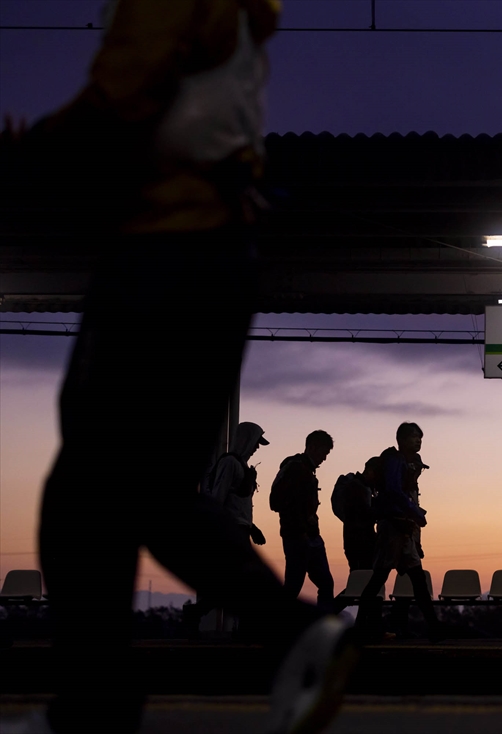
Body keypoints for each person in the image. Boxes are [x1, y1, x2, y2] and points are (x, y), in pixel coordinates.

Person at [0, 3, 357, 733]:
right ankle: (291, 636)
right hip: (216, 257)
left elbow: (122, 94)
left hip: (162, 255)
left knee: (83, 493)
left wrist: (32, 149)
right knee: (145, 493)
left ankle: (100, 706)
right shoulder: (236, 17)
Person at [354, 423, 443, 643]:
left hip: (403, 528)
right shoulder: (395, 461)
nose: (418, 440)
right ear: (401, 440)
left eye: (420, 437)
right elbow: (394, 491)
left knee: (414, 579)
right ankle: (359, 628)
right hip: (393, 527)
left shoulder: (403, 462)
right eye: (413, 436)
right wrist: (416, 512)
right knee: (383, 578)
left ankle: (435, 629)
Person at [272, 431, 336, 612]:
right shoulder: (296, 469)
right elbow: (278, 503)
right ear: (312, 447)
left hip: (307, 536)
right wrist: (302, 528)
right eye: (323, 452)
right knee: (296, 585)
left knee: (321, 583)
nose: (324, 458)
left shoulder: (301, 469)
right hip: (299, 537)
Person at [203, 421, 270, 547]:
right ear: (247, 440)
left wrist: (251, 527)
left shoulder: (242, 466)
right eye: (256, 442)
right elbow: (218, 498)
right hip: (230, 530)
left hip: (240, 530)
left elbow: (238, 506)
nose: (257, 447)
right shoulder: (229, 462)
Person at [333, 456, 382, 572]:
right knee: (361, 575)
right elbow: (362, 515)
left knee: (362, 575)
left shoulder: (365, 488)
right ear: (369, 471)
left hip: (358, 541)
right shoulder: (357, 487)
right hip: (359, 543)